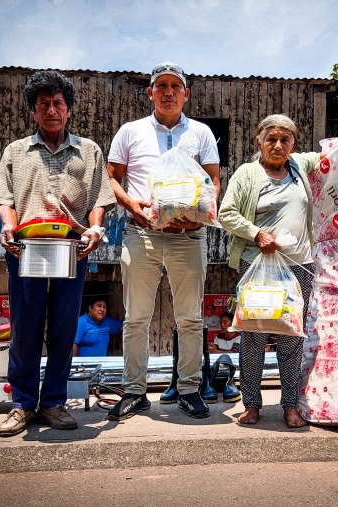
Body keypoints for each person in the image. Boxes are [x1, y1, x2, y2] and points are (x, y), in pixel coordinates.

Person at [0, 70, 116, 437]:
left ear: (68, 110)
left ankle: (54, 404)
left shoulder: (88, 151)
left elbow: (99, 200)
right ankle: (23, 404)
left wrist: (95, 228)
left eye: (58, 103)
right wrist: (7, 224)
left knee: (62, 327)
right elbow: (3, 199)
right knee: (25, 328)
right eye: (44, 104)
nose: (52, 110)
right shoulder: (16, 151)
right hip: (23, 246)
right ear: (33, 111)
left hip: (72, 248)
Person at [106, 62, 221, 420]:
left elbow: (213, 183)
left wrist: (200, 212)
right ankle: (135, 391)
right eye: (161, 86)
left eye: (176, 86)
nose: (168, 92)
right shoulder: (130, 131)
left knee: (189, 318)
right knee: (136, 318)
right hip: (142, 234)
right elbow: (110, 179)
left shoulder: (201, 133)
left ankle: (188, 388)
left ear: (186, 94)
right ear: (150, 92)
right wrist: (131, 205)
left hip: (188, 237)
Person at [218, 114, 324, 428]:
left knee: (292, 337)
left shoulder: (298, 167)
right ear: (259, 142)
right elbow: (227, 213)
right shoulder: (248, 173)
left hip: (299, 266)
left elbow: (330, 153)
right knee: (254, 336)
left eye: (284, 140)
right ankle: (251, 404)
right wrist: (256, 233)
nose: (277, 146)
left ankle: (290, 406)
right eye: (271, 140)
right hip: (258, 267)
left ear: (293, 144)